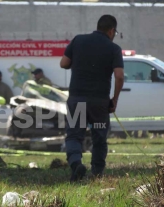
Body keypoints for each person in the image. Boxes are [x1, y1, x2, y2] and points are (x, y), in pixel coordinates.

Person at [60, 14, 124, 182]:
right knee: (99, 137)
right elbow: (119, 76)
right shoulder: (114, 49)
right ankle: (96, 173)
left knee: (74, 135)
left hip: (77, 100)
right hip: (99, 103)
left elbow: (63, 63)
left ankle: (75, 164)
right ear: (111, 31)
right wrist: (114, 100)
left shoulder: (78, 40)